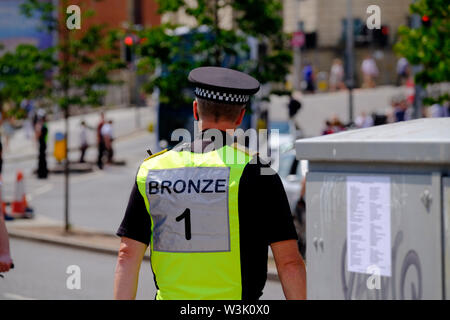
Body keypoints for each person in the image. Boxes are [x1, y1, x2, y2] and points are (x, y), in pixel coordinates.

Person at [114, 66, 306, 300]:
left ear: (196, 110)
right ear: (240, 117)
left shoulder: (153, 170)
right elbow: (289, 262)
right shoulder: (258, 172)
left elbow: (127, 255)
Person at [36, 113, 48, 179]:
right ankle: (43, 173)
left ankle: (42, 174)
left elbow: (38, 135)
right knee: (43, 159)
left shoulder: (43, 126)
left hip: (42, 143)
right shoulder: (45, 126)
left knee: (42, 159)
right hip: (43, 143)